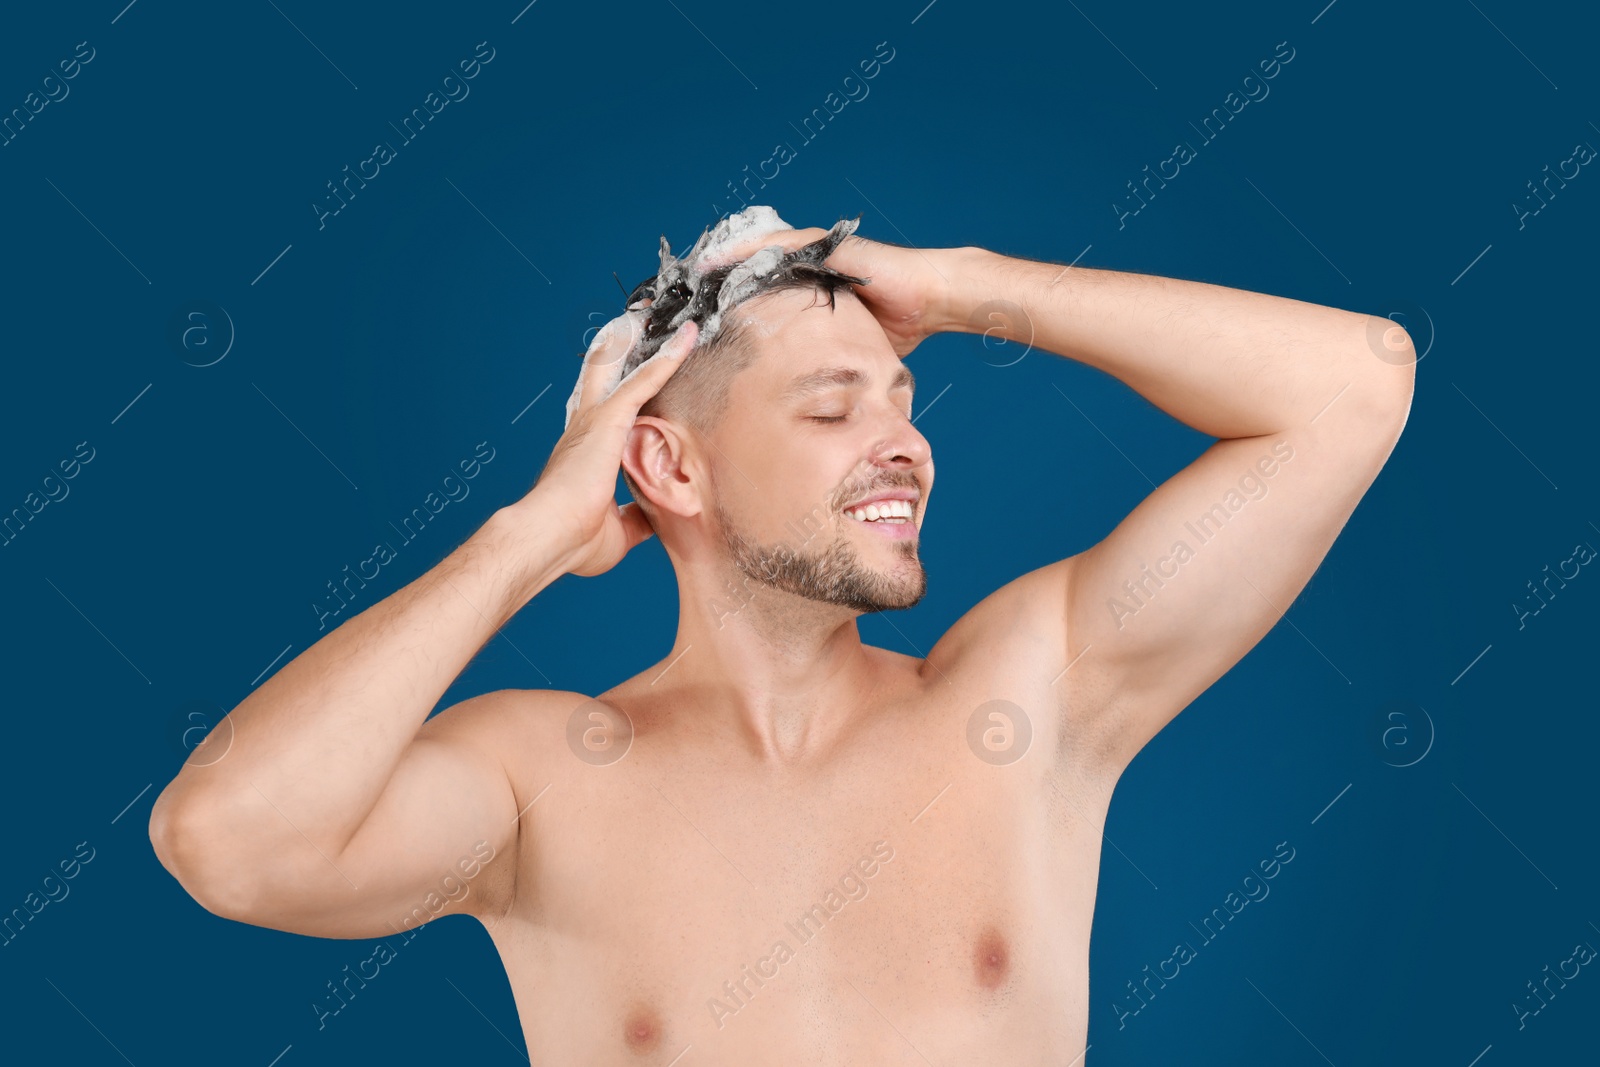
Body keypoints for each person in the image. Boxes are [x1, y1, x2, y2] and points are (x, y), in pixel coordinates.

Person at [148, 207, 1414, 1063]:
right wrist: (531, 536)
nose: (904, 442)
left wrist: (966, 286)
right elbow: (229, 840)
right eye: (831, 403)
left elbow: (1356, 383)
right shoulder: (540, 781)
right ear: (668, 465)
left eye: (904, 399)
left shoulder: (1033, 696)